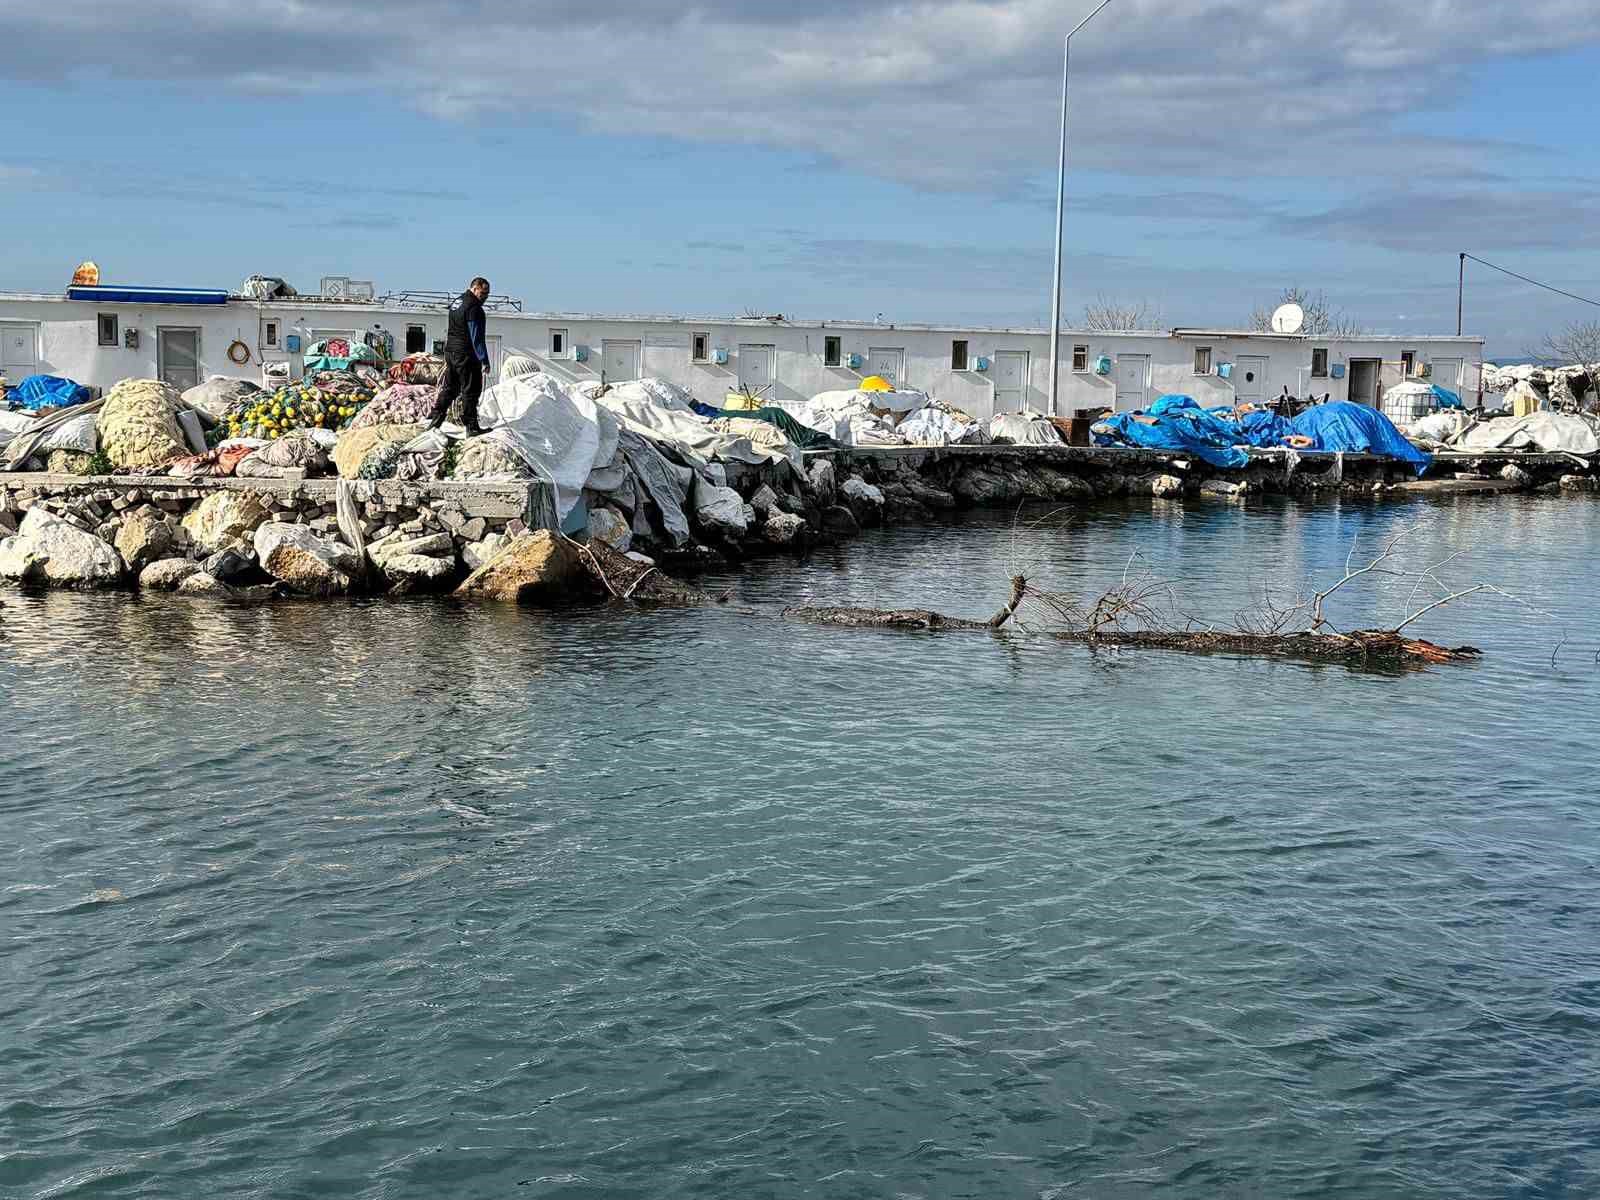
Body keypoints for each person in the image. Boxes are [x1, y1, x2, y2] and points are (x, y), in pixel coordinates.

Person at [429, 277, 492, 434]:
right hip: (466, 354)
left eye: (487, 294)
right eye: (483, 293)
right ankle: (471, 427)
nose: (485, 297)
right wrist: (484, 359)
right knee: (471, 390)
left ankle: (435, 420)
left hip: (451, 352)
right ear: (475, 288)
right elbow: (476, 336)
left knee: (450, 388)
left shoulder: (458, 302)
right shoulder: (473, 307)